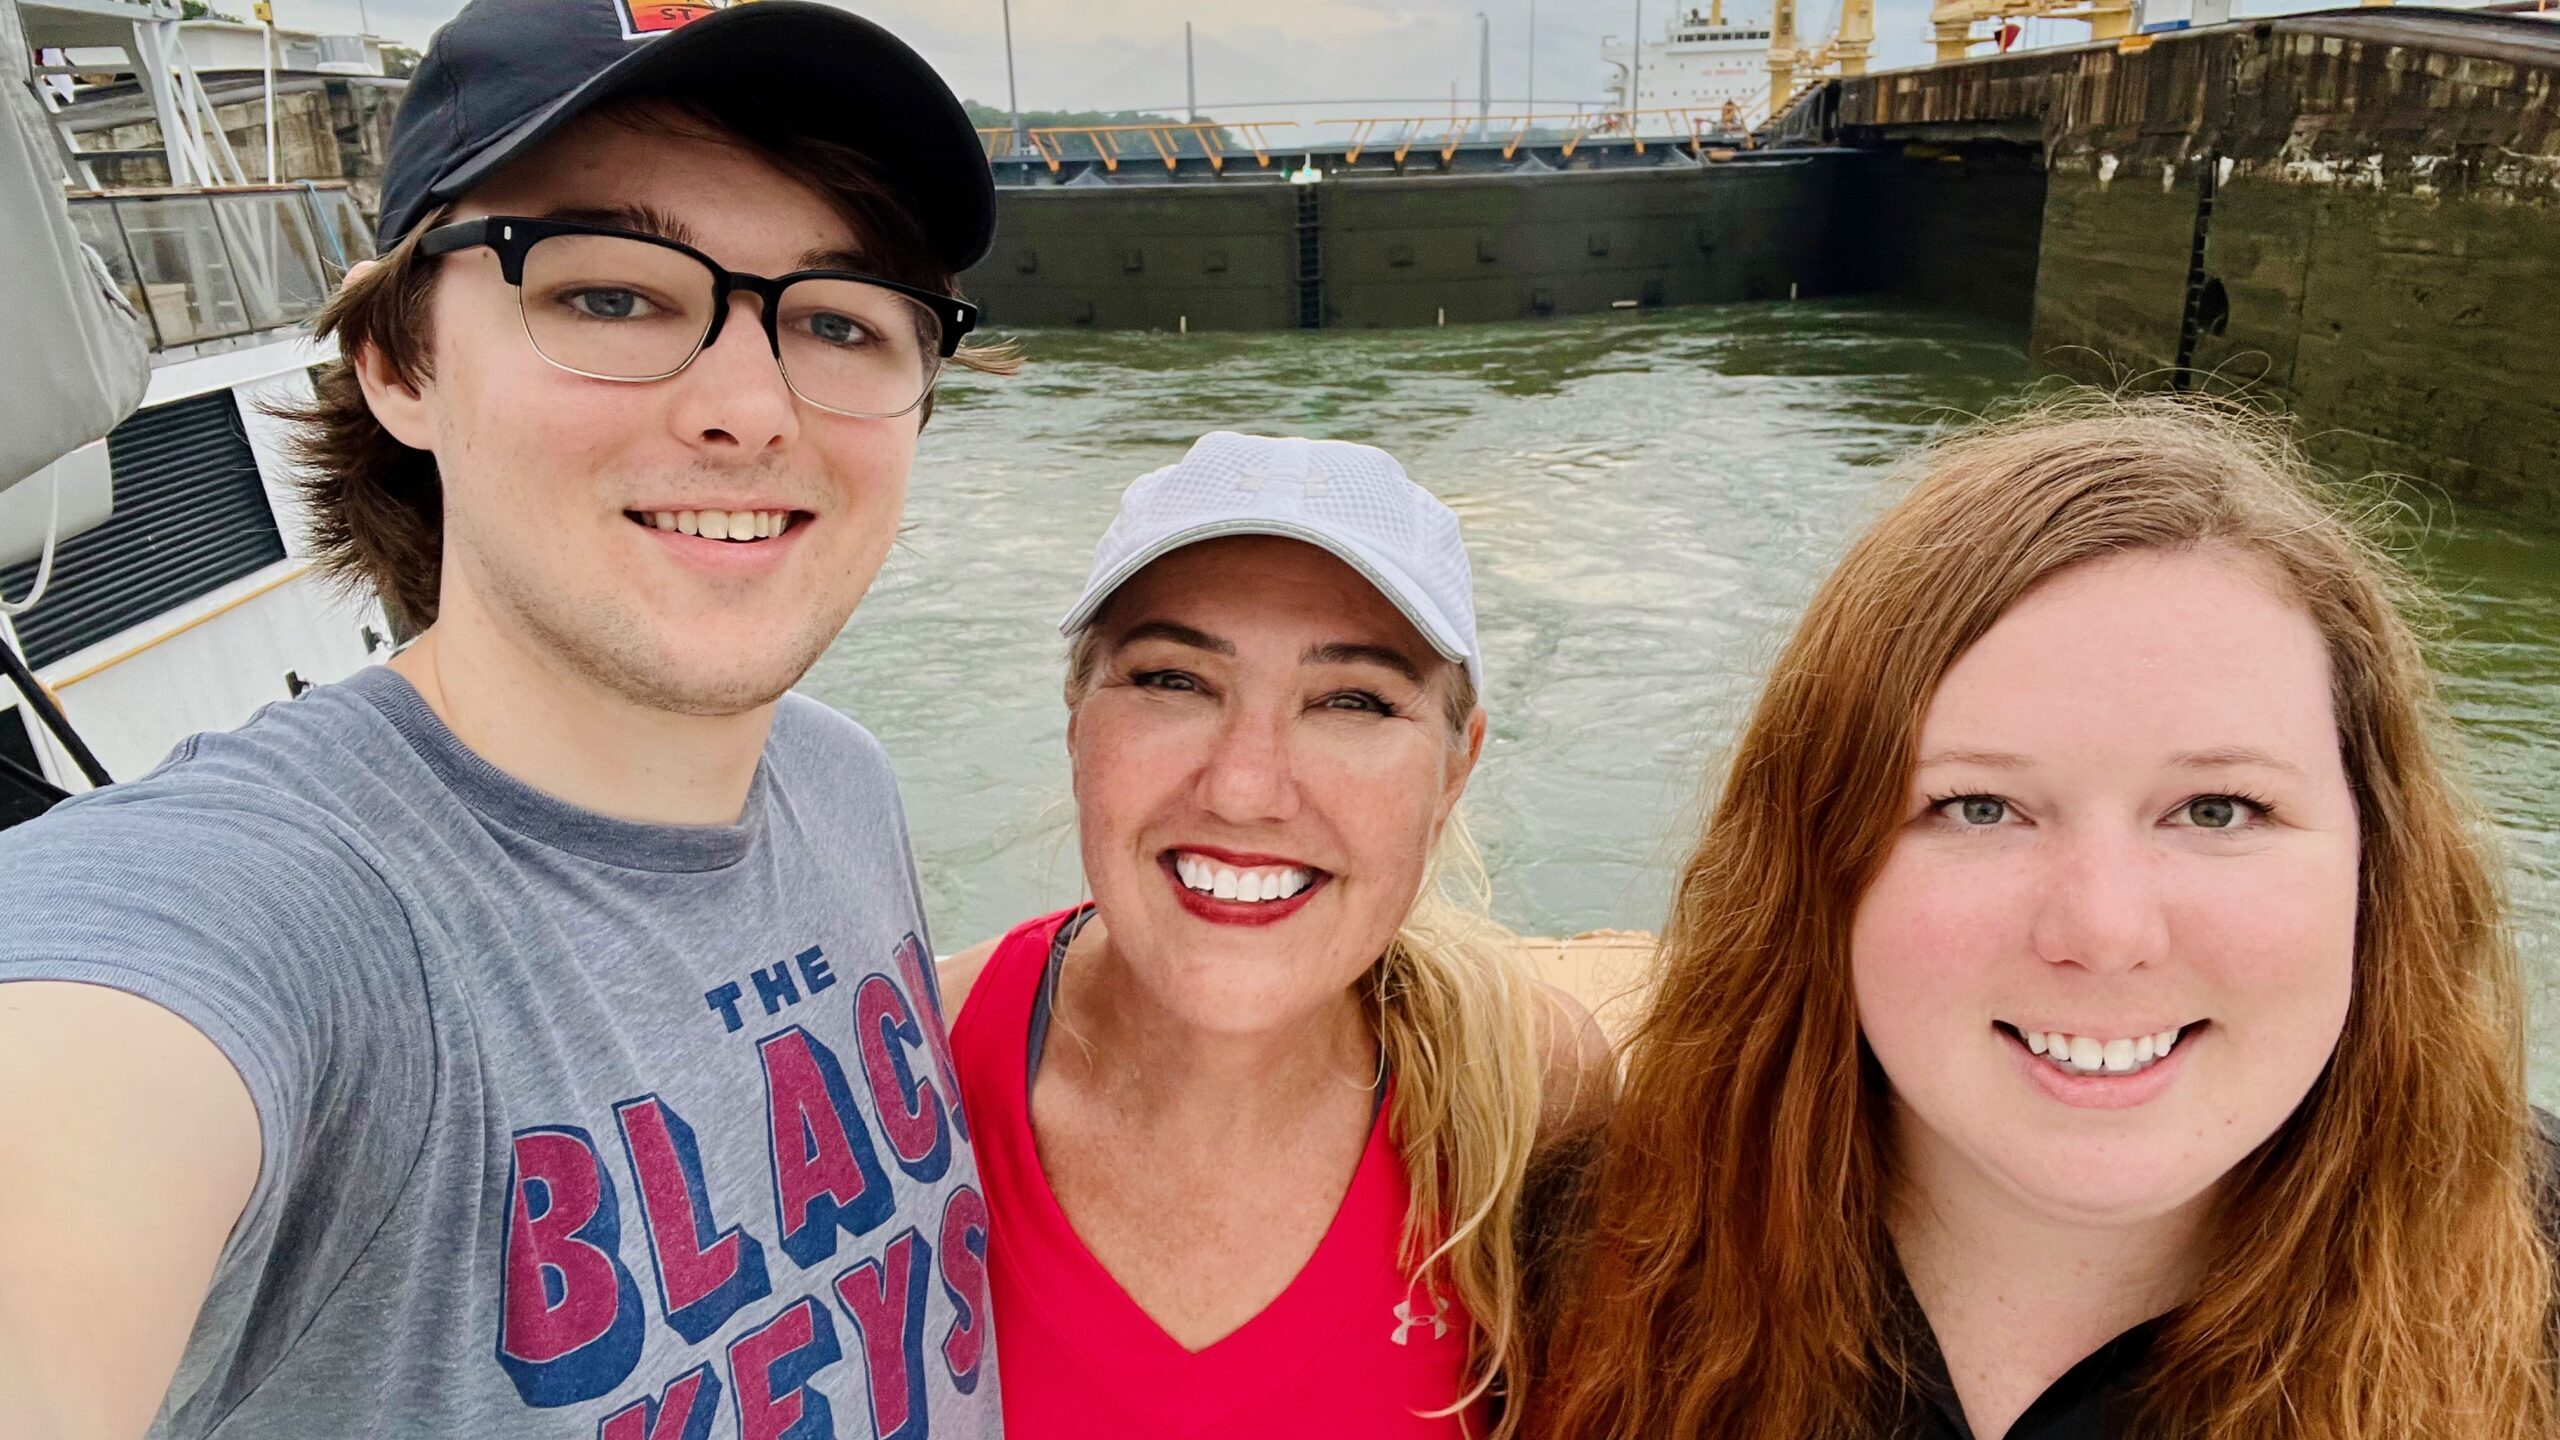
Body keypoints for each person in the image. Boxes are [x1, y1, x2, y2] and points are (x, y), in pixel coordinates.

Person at [0, 1, 1018, 1435]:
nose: (750, 404)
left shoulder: (839, 783)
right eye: (610, 295)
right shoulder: (260, 914)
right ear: (400, 364)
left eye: (841, 321)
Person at [1532, 398, 2560, 1439]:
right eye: (1977, 808)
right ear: (1813, 866)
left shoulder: (2544, 1295)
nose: (2105, 930)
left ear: (2377, 864)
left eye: (2217, 809)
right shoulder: (1553, 1264)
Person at [935, 432, 1617, 1438]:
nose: (1246, 788)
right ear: (1077, 720)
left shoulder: (1532, 1093)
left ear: (1453, 770)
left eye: (1351, 700)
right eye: (1174, 680)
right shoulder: (915, 1068)